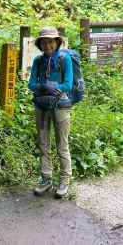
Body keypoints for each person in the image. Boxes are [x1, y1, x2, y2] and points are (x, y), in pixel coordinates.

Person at [28, 27, 73, 198]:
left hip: (61, 106)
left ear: (57, 42)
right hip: (41, 107)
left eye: (51, 41)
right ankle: (46, 178)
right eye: (44, 42)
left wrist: (53, 87)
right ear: (40, 44)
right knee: (43, 143)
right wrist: (42, 86)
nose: (47, 45)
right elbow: (31, 84)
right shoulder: (38, 61)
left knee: (62, 144)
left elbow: (68, 84)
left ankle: (64, 180)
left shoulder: (65, 59)